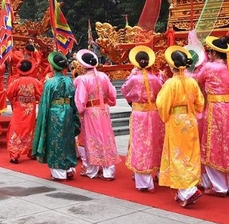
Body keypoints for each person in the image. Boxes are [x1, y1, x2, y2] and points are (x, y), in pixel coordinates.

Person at [157, 45, 205, 208]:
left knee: (178, 153)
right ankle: (188, 187)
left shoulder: (170, 83)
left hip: (176, 121)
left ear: (172, 66)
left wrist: (166, 117)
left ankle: (187, 190)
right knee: (190, 153)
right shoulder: (192, 81)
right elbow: (200, 102)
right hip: (190, 119)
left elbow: (162, 104)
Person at [194, 36, 229, 197]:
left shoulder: (209, 67)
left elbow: (197, 80)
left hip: (215, 109)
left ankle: (220, 187)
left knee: (212, 146)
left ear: (214, 53)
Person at [120, 45, 164, 192]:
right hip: (154, 114)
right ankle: (156, 172)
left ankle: (145, 182)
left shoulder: (134, 79)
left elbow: (125, 91)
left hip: (139, 114)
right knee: (153, 142)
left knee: (140, 144)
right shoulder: (156, 79)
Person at [32, 52, 80, 181]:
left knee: (55, 141)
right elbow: (73, 98)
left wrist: (42, 117)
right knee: (68, 139)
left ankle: (59, 173)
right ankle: (69, 168)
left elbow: (45, 102)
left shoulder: (50, 82)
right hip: (69, 110)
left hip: (55, 112)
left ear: (52, 67)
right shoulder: (69, 81)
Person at [74, 49, 120, 180]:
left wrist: (79, 111)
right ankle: (108, 171)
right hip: (103, 110)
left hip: (90, 111)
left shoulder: (81, 79)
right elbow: (112, 94)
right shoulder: (104, 76)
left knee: (92, 138)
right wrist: (109, 102)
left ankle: (93, 170)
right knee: (106, 137)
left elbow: (80, 100)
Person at [6, 59, 43, 163]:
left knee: (16, 128)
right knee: (30, 129)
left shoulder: (16, 82)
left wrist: (14, 101)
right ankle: (31, 152)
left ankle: (14, 155)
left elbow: (9, 93)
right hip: (30, 109)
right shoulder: (35, 81)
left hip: (19, 108)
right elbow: (41, 93)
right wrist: (35, 99)